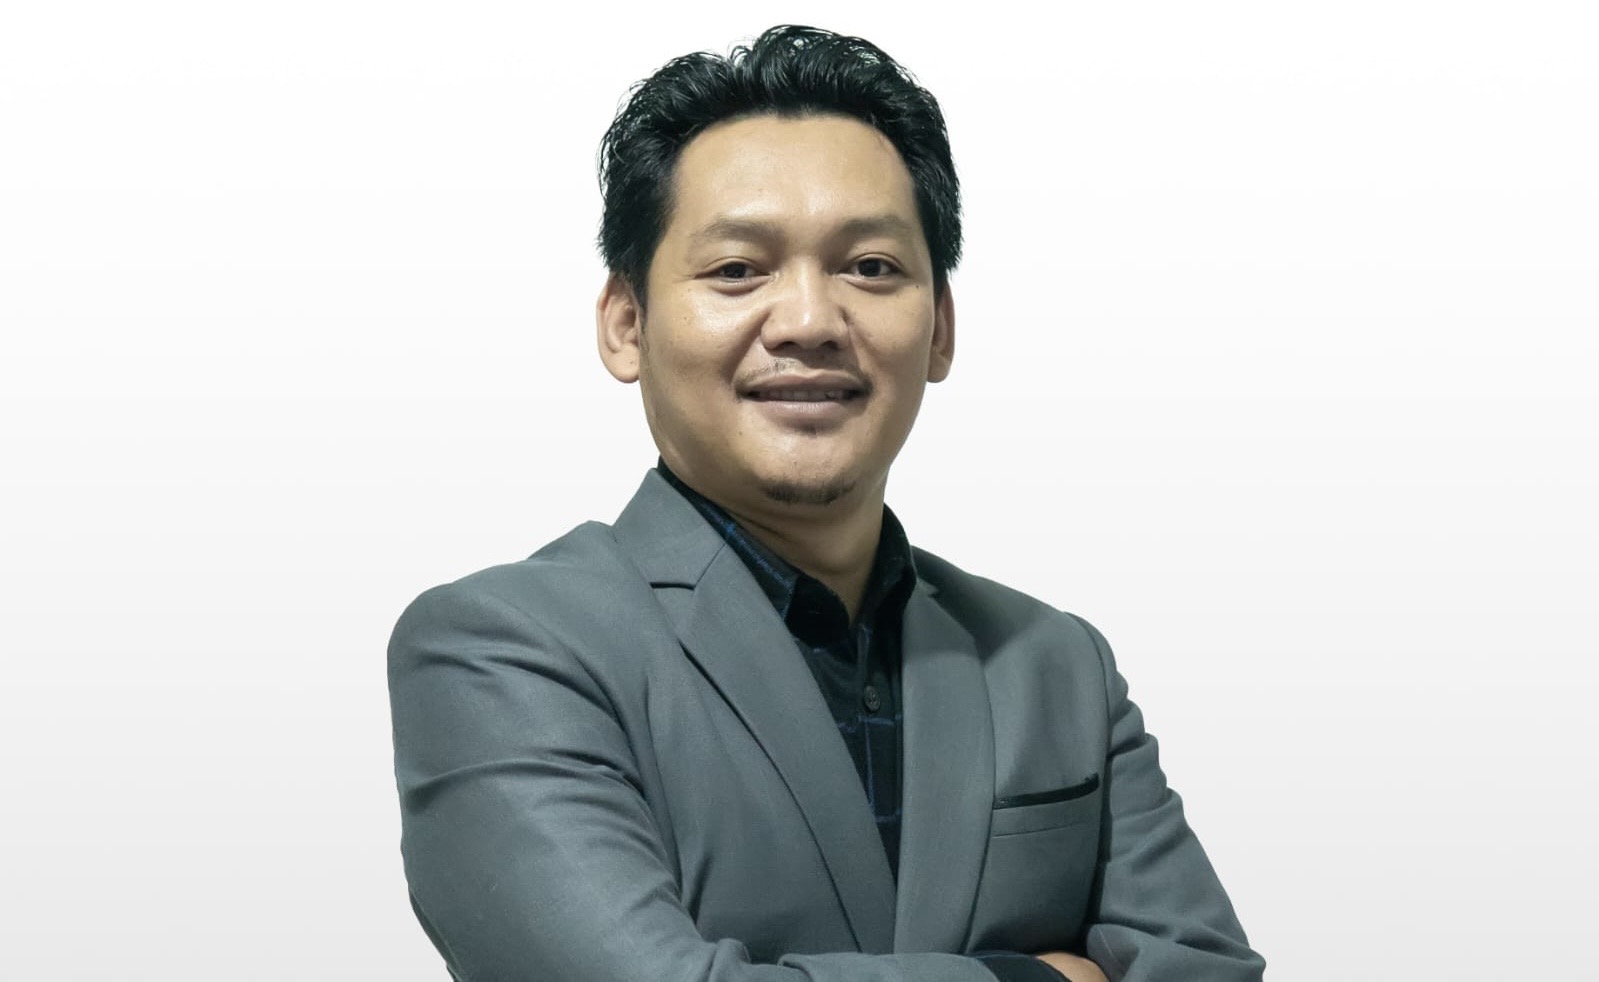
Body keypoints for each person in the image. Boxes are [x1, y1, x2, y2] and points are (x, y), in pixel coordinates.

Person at [387, 25, 1265, 982]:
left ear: (940, 328)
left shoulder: (1054, 663)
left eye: (871, 267)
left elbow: (1207, 968)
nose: (808, 321)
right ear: (626, 324)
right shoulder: (502, 650)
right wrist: (1046, 977)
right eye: (737, 269)